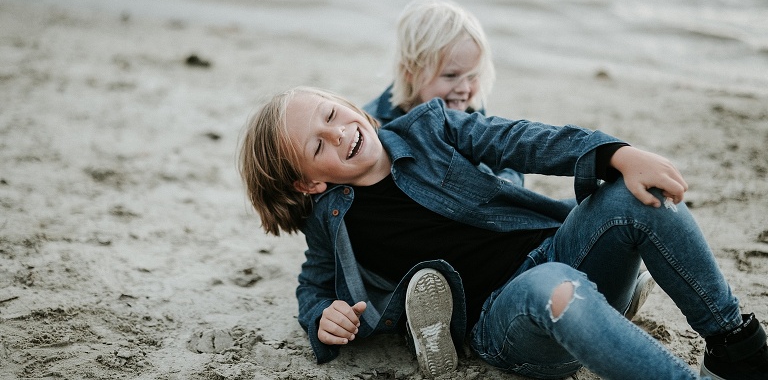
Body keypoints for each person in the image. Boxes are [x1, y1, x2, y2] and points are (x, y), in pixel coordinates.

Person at [238, 86, 768, 380]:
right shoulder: (331, 222)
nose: (339, 132)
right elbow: (313, 286)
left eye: (333, 113)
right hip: (505, 321)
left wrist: (616, 153)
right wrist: (320, 316)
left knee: (633, 195)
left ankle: (737, 350)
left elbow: (520, 140)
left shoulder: (430, 127)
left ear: (351, 106)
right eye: (318, 145)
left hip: (558, 247)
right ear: (309, 182)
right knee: (551, 284)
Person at [363, 0, 524, 186]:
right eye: (450, 76)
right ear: (410, 72)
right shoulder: (378, 128)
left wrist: (507, 181)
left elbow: (506, 159)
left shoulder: (467, 110)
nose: (464, 89)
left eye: (472, 76)